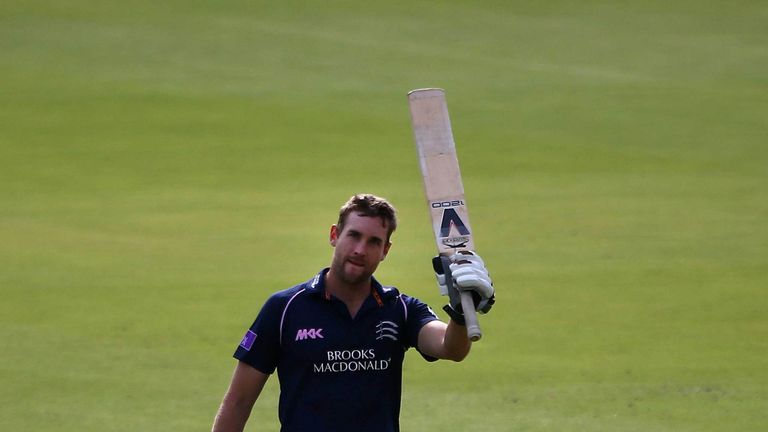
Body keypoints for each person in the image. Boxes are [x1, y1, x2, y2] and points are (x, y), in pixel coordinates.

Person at [212, 193, 495, 432]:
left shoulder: (399, 309)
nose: (360, 249)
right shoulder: (285, 309)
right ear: (334, 235)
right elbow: (238, 401)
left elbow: (451, 348)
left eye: (373, 242)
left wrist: (460, 313)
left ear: (385, 250)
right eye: (354, 236)